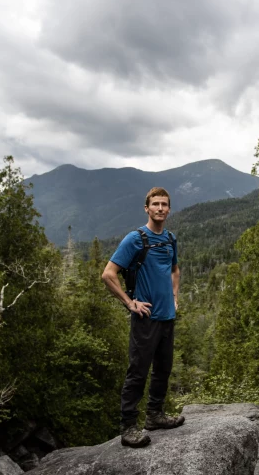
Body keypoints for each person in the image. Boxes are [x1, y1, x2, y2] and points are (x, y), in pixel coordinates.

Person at [101, 187, 184, 448]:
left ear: (169, 209)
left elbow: (175, 269)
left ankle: (155, 415)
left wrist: (174, 296)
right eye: (155, 204)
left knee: (163, 369)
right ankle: (128, 427)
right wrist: (129, 303)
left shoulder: (170, 239)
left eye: (165, 204)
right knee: (138, 372)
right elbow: (108, 274)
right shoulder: (136, 239)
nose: (160, 208)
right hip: (145, 318)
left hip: (167, 317)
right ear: (146, 208)